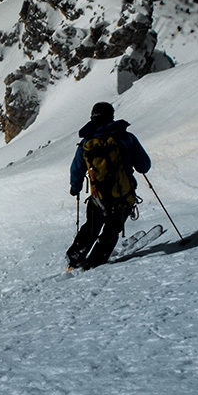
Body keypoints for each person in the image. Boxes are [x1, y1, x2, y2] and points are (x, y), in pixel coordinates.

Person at [67, 102, 151, 270]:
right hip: (123, 196)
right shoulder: (125, 138)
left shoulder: (86, 143)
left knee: (91, 225)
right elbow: (144, 166)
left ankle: (75, 257)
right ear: (111, 116)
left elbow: (76, 169)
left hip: (99, 197)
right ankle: (96, 260)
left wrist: (75, 188)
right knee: (112, 230)